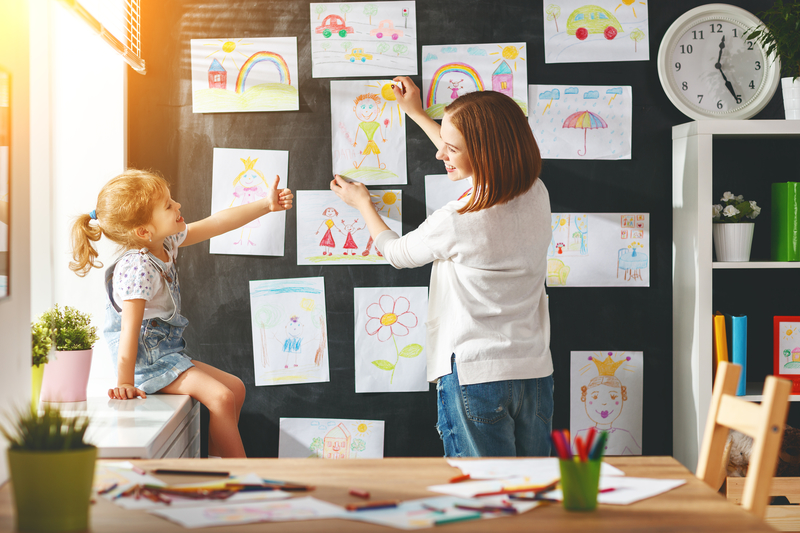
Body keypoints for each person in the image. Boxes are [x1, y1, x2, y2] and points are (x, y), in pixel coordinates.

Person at [331, 77, 553, 457]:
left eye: (451, 149)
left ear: (481, 154)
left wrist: (362, 203)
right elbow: (478, 159)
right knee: (529, 492)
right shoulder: (535, 192)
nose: (440, 155)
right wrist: (417, 114)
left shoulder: (457, 219)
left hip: (475, 375)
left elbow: (398, 253)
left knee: (482, 496)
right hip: (533, 373)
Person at [70, 169, 293, 458]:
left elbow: (216, 223)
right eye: (167, 205)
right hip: (147, 365)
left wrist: (266, 204)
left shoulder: (165, 243)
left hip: (166, 355)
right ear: (143, 231)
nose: (177, 205)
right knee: (221, 397)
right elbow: (128, 331)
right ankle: (245, 473)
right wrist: (125, 383)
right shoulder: (137, 269)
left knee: (235, 388)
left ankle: (217, 463)